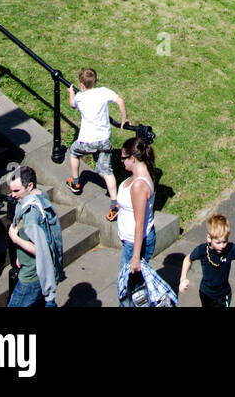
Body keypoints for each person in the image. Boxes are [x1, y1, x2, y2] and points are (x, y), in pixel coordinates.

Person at [67, 67, 127, 221]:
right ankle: (115, 203)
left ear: (81, 84)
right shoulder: (103, 92)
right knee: (107, 171)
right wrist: (124, 118)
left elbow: (72, 104)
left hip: (87, 140)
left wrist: (70, 92)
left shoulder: (80, 96)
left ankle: (75, 182)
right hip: (104, 140)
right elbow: (120, 100)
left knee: (74, 152)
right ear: (96, 81)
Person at [179, 212, 235, 308]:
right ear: (209, 238)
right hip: (205, 293)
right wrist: (183, 279)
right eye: (218, 242)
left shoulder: (231, 249)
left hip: (223, 296)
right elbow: (187, 260)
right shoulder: (202, 250)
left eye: (225, 241)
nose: (222, 246)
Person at [7, 166, 62, 307]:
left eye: (16, 190)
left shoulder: (31, 213)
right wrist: (21, 255)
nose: (12, 195)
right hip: (39, 272)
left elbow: (39, 249)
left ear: (29, 186)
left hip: (31, 275)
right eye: (11, 190)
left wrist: (15, 239)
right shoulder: (41, 196)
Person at [116, 136, 156, 297]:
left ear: (133, 158)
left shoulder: (139, 185)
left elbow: (139, 223)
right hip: (131, 241)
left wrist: (135, 257)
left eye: (123, 158)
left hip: (135, 244)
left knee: (128, 291)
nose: (121, 161)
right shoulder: (140, 176)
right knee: (134, 288)